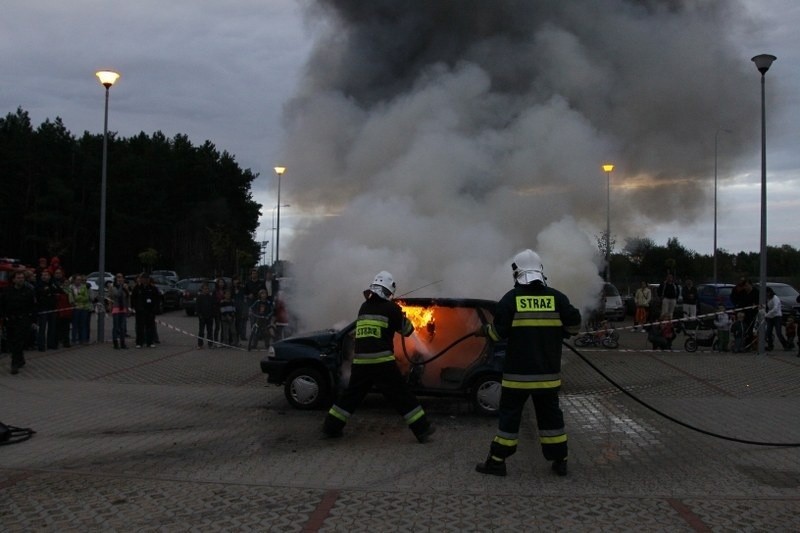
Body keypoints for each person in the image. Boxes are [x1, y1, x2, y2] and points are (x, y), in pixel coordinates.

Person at [474, 250, 581, 477]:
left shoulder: (511, 299)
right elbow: (574, 325)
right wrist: (561, 331)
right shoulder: (557, 298)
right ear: (541, 271)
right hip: (548, 375)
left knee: (510, 418)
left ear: (517, 273)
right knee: (551, 417)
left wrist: (484, 330)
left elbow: (496, 335)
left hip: (517, 376)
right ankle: (560, 460)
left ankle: (497, 461)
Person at [323, 271, 436, 443]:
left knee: (351, 396)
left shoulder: (364, 307)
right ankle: (422, 429)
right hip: (382, 363)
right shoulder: (392, 308)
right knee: (401, 395)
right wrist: (402, 316)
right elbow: (407, 332)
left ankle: (331, 427)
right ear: (388, 291)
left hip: (360, 362)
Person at [2, 270, 36, 374]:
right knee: (12, 341)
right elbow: (2, 305)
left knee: (18, 340)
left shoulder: (28, 291)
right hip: (10, 320)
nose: (21, 280)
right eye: (18, 278)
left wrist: (33, 320)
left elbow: (33, 307)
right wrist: (4, 317)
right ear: (13, 279)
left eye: (22, 278)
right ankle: (20, 359)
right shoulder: (7, 291)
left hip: (23, 320)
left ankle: (14, 364)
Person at [131, 273, 158, 348]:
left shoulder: (152, 288)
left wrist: (154, 309)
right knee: (140, 327)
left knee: (150, 327)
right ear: (141, 279)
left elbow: (156, 299)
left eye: (147, 279)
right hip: (140, 311)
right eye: (144, 279)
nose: (145, 280)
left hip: (150, 311)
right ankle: (139, 342)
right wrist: (135, 307)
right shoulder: (137, 288)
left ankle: (150, 342)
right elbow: (133, 298)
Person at [34, 270, 58, 351]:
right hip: (43, 308)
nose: (44, 276)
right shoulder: (38, 285)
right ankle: (41, 345)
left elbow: (57, 291)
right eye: (43, 275)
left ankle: (51, 344)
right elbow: (40, 293)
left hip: (52, 307)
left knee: (52, 327)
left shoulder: (52, 284)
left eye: (46, 275)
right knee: (42, 328)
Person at [68, 274, 93, 344]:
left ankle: (83, 339)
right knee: (75, 325)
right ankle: (74, 339)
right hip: (75, 308)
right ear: (74, 280)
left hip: (84, 308)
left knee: (83, 324)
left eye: (80, 280)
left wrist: (78, 298)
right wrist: (79, 298)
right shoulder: (71, 287)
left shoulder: (84, 287)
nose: (79, 281)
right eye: (77, 279)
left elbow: (87, 297)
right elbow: (71, 299)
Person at [764, 287, 789, 351]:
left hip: (777, 316)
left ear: (770, 292)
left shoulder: (775, 298)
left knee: (778, 332)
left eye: (767, 292)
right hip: (770, 317)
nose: (766, 294)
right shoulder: (767, 299)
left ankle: (786, 345)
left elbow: (775, 309)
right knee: (768, 332)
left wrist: (767, 314)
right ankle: (770, 346)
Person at [51, 268, 72, 348]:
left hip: (66, 309)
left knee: (66, 327)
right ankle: (55, 343)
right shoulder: (52, 283)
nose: (58, 274)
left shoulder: (67, 287)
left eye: (59, 273)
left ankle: (66, 342)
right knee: (56, 327)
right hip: (57, 309)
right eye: (56, 273)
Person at [110, 273, 130, 349]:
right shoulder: (113, 287)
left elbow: (127, 298)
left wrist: (128, 308)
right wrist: (121, 286)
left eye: (121, 278)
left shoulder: (125, 288)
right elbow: (117, 294)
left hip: (123, 309)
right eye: (118, 278)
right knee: (116, 327)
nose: (120, 279)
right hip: (116, 308)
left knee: (122, 327)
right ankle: (115, 343)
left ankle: (122, 343)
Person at [195, 281, 215, 349]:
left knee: (210, 331)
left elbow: (213, 307)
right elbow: (198, 308)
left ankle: (210, 344)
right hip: (202, 317)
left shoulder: (210, 297)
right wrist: (200, 316)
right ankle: (200, 344)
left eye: (207, 289)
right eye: (205, 289)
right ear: (202, 289)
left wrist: (212, 315)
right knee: (201, 331)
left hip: (209, 317)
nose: (207, 290)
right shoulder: (199, 297)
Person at [231, 275, 248, 342]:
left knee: (239, 325)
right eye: (235, 280)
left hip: (240, 309)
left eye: (237, 280)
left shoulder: (242, 289)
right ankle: (231, 340)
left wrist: (244, 310)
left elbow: (244, 299)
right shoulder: (230, 289)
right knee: (232, 325)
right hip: (232, 309)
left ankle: (238, 339)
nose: (236, 282)